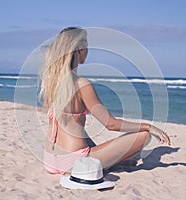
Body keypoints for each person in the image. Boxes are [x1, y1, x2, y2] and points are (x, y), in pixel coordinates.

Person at [39, 27, 170, 174]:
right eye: (86, 46)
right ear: (80, 51)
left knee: (79, 130)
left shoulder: (50, 82)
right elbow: (111, 124)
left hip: (50, 160)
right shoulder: (82, 84)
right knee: (144, 136)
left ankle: (114, 161)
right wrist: (148, 126)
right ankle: (115, 160)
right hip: (75, 163)